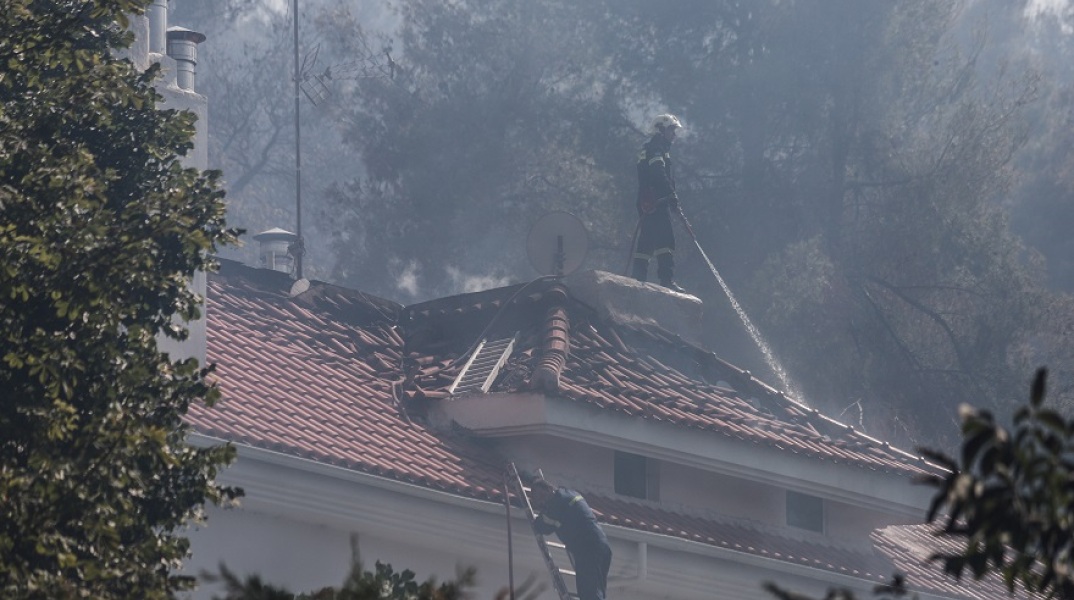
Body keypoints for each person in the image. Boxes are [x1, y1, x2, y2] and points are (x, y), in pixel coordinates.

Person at [530, 477, 612, 600]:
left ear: (549, 489)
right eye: (539, 501)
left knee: (589, 594)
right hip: (601, 548)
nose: (542, 502)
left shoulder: (556, 504)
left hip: (588, 550)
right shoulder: (570, 494)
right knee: (596, 591)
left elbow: (541, 526)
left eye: (541, 497)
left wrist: (540, 510)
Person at [631, 113, 686, 293]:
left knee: (647, 240)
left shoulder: (650, 148)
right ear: (661, 130)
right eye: (672, 130)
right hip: (656, 201)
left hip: (646, 201)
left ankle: (637, 278)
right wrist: (671, 195)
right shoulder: (656, 149)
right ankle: (666, 280)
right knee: (666, 239)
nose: (674, 135)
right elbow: (658, 173)